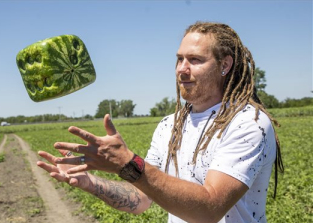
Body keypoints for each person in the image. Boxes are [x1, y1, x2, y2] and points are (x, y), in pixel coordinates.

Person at [37, 21, 284, 223]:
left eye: (195, 60)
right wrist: (89, 182)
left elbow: (210, 209)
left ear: (225, 65)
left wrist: (128, 164)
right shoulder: (171, 125)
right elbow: (141, 199)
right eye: (179, 59)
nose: (182, 69)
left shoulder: (247, 123)